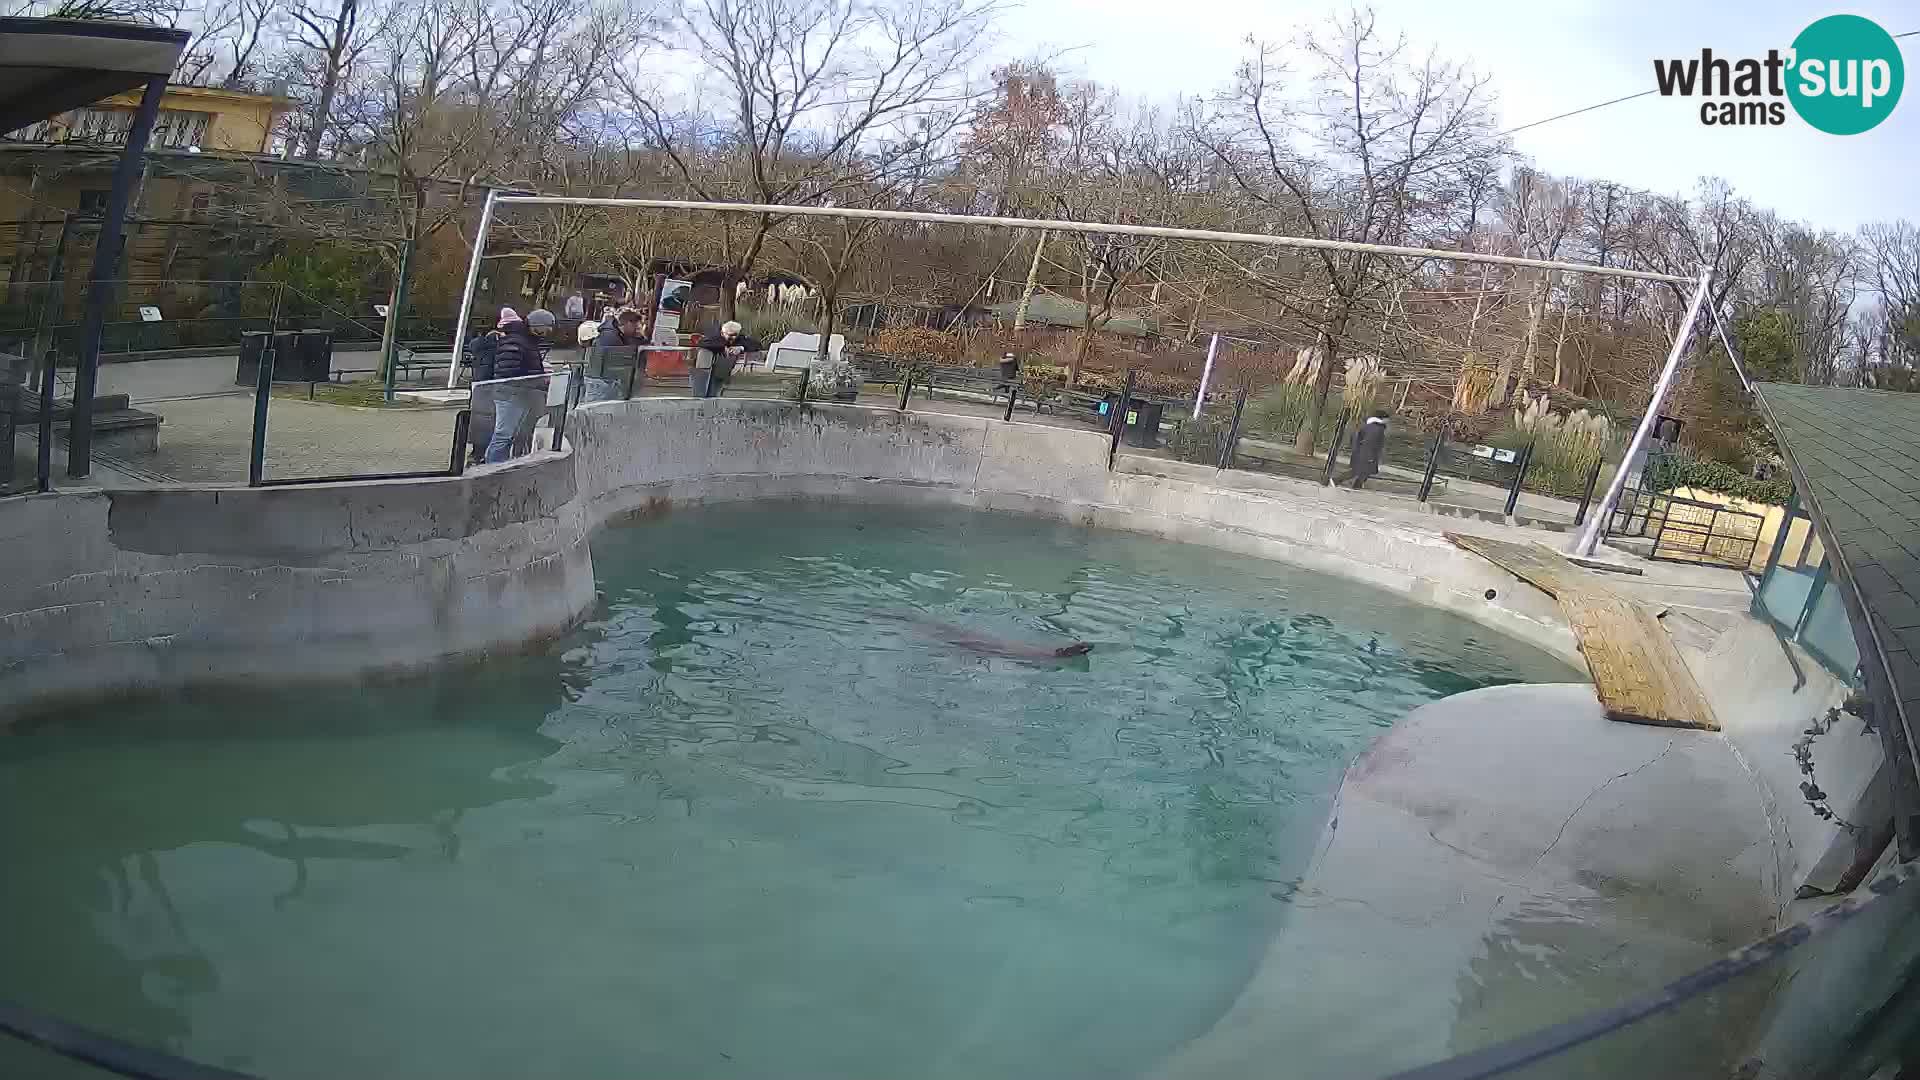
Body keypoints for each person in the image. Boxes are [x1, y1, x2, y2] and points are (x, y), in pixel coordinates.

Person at [484, 307, 553, 464]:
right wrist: (533, 380)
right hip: (510, 394)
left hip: (520, 394)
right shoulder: (516, 340)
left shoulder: (524, 340)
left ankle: (502, 462)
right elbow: (507, 371)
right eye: (546, 329)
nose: (547, 333)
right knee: (503, 434)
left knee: (511, 433)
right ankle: (492, 466)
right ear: (537, 326)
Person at [465, 324, 503, 464]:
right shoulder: (496, 348)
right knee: (489, 420)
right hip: (491, 385)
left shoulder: (478, 348)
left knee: (478, 419)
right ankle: (482, 454)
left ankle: (476, 453)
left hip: (479, 386)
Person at [694, 320, 763, 398]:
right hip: (707, 368)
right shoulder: (715, 337)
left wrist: (741, 348)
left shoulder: (740, 339)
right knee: (705, 390)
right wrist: (724, 347)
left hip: (722, 369)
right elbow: (702, 343)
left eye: (735, 335)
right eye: (730, 335)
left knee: (715, 390)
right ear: (723, 333)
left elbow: (757, 345)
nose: (732, 338)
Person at [1341, 408, 1391, 489]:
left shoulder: (1371, 426)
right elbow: (1371, 442)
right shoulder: (1377, 428)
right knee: (1359, 471)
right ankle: (1337, 480)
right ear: (1382, 418)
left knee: (1363, 471)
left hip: (1363, 452)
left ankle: (1357, 485)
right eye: (1387, 419)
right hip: (1367, 453)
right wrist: (1371, 455)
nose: (1388, 421)